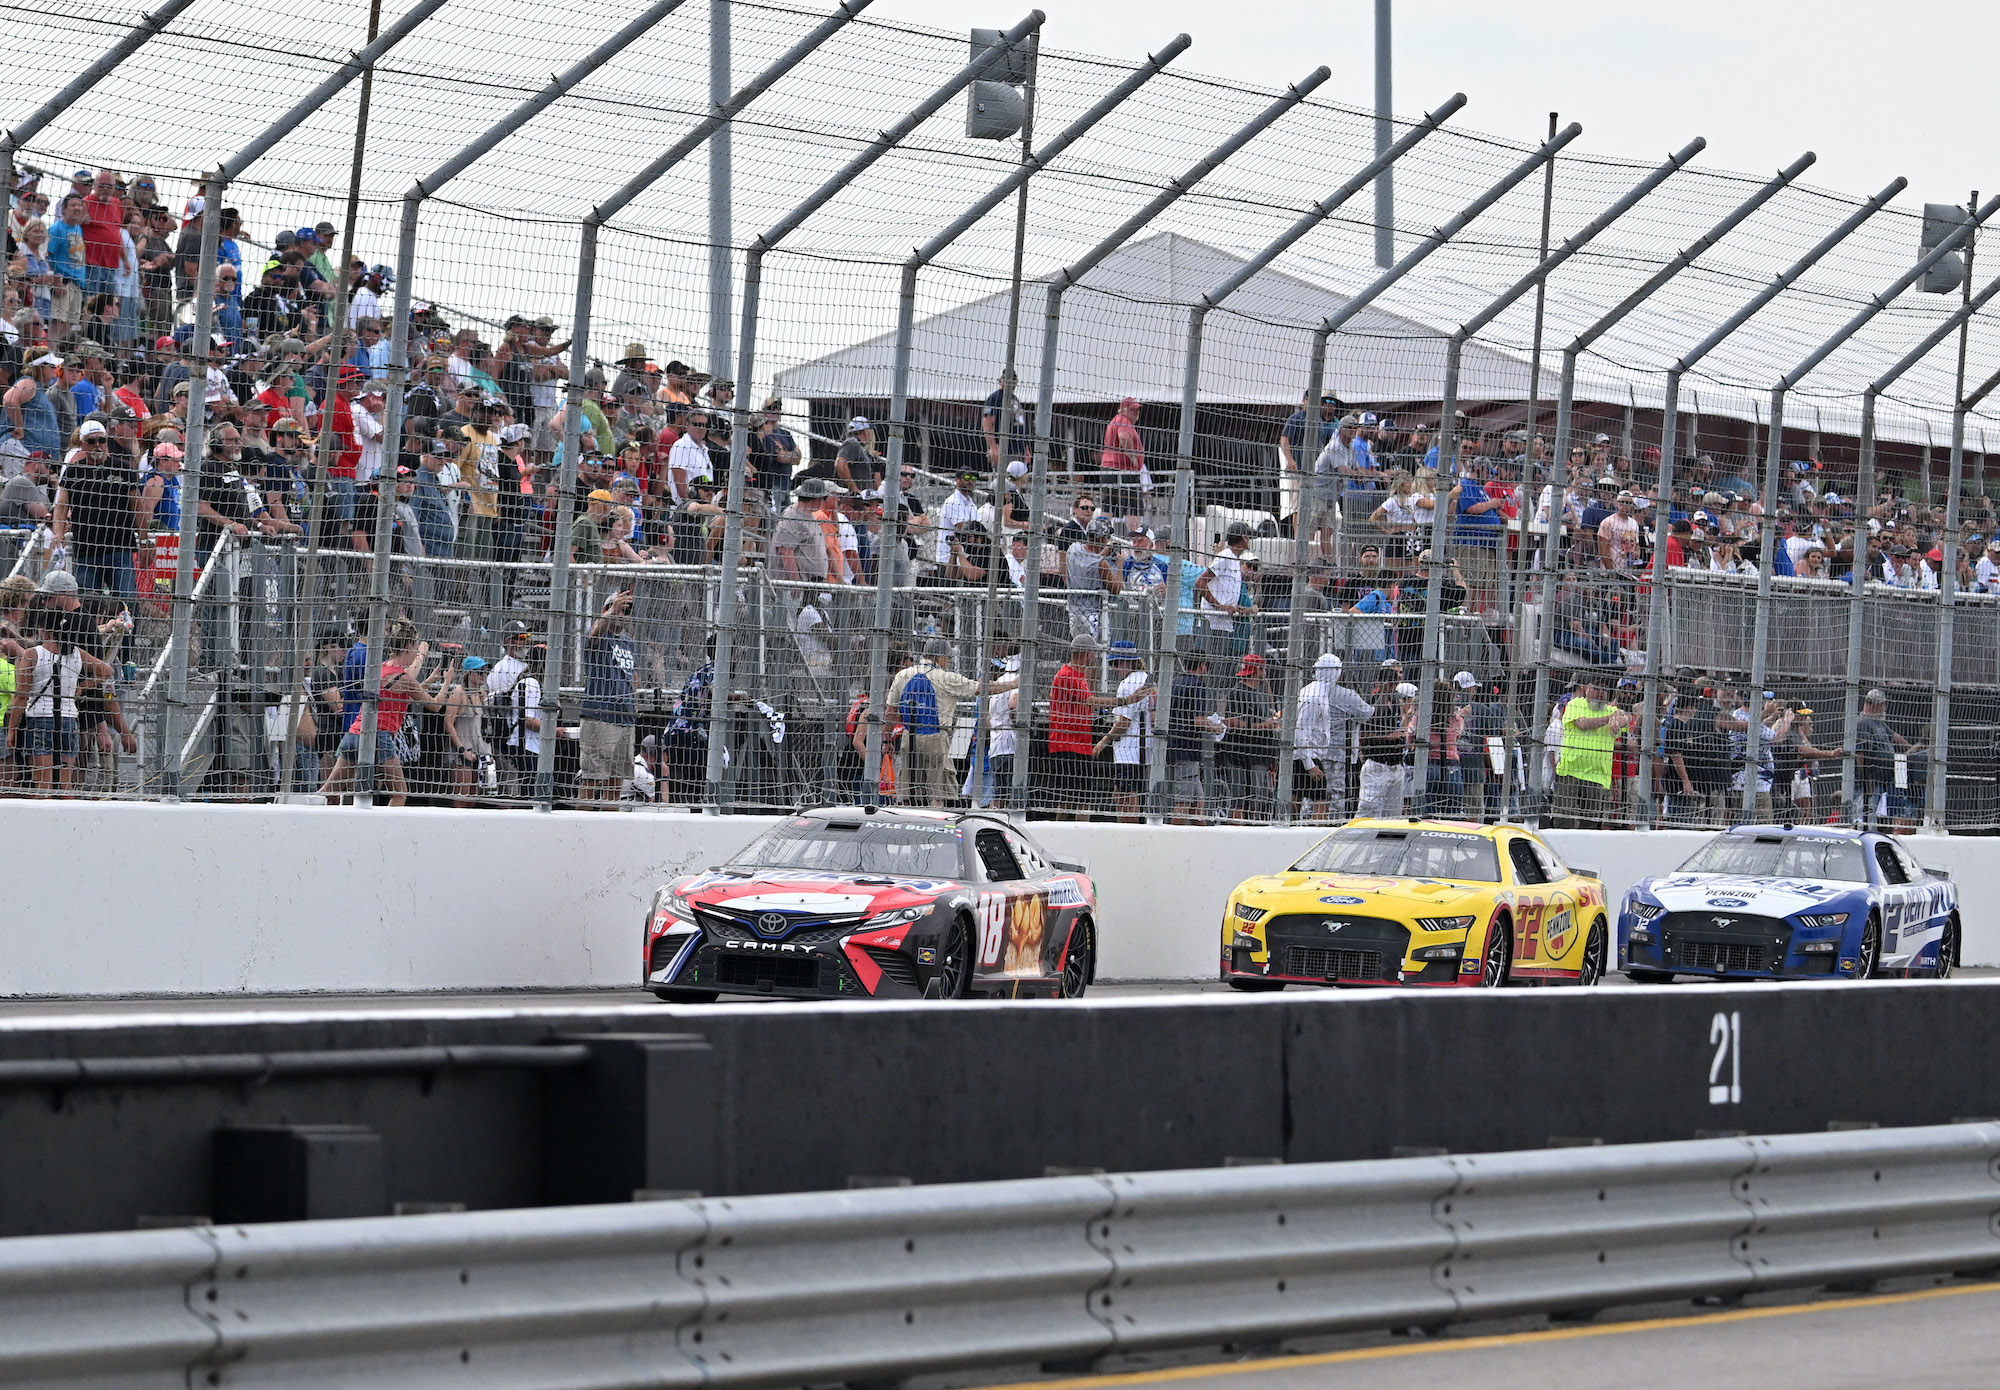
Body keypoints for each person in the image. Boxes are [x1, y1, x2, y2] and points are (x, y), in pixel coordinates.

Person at [316, 621, 437, 807]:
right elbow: (430, 702)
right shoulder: (379, 663)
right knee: (397, 794)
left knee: (332, 790)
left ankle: (300, 814)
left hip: (355, 730)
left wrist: (427, 679)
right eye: (414, 648)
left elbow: (403, 692)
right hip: (379, 734)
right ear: (407, 647)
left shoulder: (378, 665)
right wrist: (442, 679)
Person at [887, 638, 1016, 809]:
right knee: (937, 790)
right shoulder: (946, 677)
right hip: (936, 736)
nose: (948, 662)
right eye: (947, 658)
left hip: (908, 735)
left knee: (908, 789)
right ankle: (934, 825)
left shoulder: (902, 675)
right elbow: (981, 687)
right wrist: (1013, 684)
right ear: (940, 657)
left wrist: (885, 740)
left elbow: (890, 711)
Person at [1293, 652, 1372, 822]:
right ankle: (1330, 826)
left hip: (1316, 754)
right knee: (1334, 796)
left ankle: (1307, 824)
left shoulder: (1309, 690)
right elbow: (1367, 713)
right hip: (1334, 754)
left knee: (1311, 799)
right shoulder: (1342, 695)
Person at [578, 588, 638, 806]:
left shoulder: (629, 642)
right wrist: (612, 610)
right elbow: (595, 632)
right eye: (619, 609)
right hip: (600, 717)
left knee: (615, 784)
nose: (623, 614)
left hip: (624, 718)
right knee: (592, 780)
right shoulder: (598, 636)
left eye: (626, 611)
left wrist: (633, 704)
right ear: (606, 610)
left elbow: (632, 675)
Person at [1551, 675, 1627, 828]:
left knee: (1590, 823)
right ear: (1586, 689)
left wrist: (1618, 719)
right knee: (1563, 819)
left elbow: (1625, 717)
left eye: (1604, 689)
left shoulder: (1611, 711)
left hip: (1596, 775)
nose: (1601, 692)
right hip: (1570, 770)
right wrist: (1609, 719)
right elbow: (1583, 724)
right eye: (1596, 688)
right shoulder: (1575, 704)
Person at [1091, 640, 1153, 823]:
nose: (1115, 668)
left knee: (1127, 796)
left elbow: (1123, 723)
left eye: (1116, 663)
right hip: (1145, 748)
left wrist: (1103, 741)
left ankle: (1129, 835)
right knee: (1121, 793)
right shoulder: (1149, 679)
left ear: (1126, 662)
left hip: (1129, 751)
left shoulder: (1127, 684)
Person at [1217, 652, 1280, 824]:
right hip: (1241, 753)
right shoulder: (1238, 692)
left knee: (1257, 799)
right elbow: (1233, 721)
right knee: (1240, 798)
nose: (1264, 673)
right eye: (1262, 669)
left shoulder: (1259, 693)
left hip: (1259, 754)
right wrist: (1263, 726)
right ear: (1257, 670)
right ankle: (1237, 830)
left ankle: (1252, 828)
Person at [1854, 688, 1917, 829]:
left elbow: (1895, 736)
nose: (1884, 708)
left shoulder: (1878, 722)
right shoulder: (1863, 723)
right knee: (1867, 816)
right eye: (1883, 704)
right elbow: (1860, 754)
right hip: (1872, 781)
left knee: (1884, 816)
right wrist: (1866, 781)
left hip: (1885, 781)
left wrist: (1914, 750)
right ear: (1876, 705)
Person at [1356, 675, 1414, 819]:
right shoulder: (1369, 705)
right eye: (1389, 684)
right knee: (1369, 811)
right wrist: (1386, 737)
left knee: (1393, 816)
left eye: (1395, 683)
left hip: (1395, 764)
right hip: (1377, 764)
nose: (1392, 687)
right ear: (1379, 684)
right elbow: (1361, 735)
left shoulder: (1394, 703)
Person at [1064, 517, 1124, 639]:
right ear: (1101, 539)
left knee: (1079, 648)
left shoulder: (1073, 549)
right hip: (1093, 615)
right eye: (1106, 538)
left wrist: (1101, 554)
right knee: (1096, 651)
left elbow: (1088, 562)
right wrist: (1120, 565)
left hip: (1074, 611)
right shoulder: (1102, 564)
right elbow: (1116, 589)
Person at [1099, 395, 1147, 533]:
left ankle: (1103, 535)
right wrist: (1133, 457)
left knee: (1108, 506)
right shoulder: (1123, 421)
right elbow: (1124, 438)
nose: (1136, 413)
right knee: (1134, 507)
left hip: (1109, 468)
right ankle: (1136, 537)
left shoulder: (1116, 420)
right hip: (1123, 469)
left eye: (1137, 410)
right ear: (1123, 410)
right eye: (1133, 410)